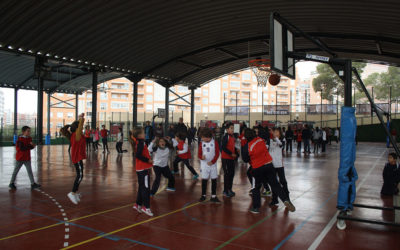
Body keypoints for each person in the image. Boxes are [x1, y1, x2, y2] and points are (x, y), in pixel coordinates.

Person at [241, 128, 295, 214]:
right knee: (275, 184)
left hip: (257, 168)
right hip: (269, 165)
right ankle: (285, 199)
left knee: (256, 187)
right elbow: (266, 139)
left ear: (246, 137)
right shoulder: (260, 140)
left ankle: (256, 207)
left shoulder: (247, 146)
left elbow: (245, 159)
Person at [60, 113, 86, 204]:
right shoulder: (76, 135)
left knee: (80, 175)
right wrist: (81, 118)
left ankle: (74, 193)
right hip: (77, 157)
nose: (82, 128)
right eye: (80, 127)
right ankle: (72, 192)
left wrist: (80, 120)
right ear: (77, 128)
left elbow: (80, 127)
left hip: (78, 157)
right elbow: (80, 127)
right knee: (80, 175)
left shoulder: (75, 135)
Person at [9, 126, 41, 190]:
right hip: (20, 158)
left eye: (29, 131)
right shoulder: (20, 139)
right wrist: (31, 146)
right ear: (23, 132)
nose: (29, 132)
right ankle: (11, 183)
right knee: (16, 171)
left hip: (27, 158)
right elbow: (22, 148)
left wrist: (33, 146)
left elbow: (30, 147)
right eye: (28, 131)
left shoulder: (29, 138)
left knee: (29, 171)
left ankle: (33, 184)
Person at [132, 127, 154, 216]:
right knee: (146, 188)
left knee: (142, 187)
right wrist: (147, 160)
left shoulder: (138, 142)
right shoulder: (141, 142)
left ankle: (138, 204)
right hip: (143, 169)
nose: (145, 134)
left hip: (140, 168)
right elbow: (138, 155)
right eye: (144, 133)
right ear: (139, 135)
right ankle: (146, 207)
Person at [198, 127, 221, 203]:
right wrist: (201, 157)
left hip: (213, 164)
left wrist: (213, 161)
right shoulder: (202, 143)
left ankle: (213, 196)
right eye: (203, 138)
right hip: (204, 165)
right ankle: (203, 195)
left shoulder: (215, 143)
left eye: (205, 138)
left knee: (214, 179)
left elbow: (217, 153)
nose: (204, 139)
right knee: (204, 179)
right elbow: (199, 154)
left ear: (210, 137)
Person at [269, 128, 291, 206]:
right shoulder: (270, 140)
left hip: (279, 165)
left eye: (276, 132)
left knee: (283, 182)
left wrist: (276, 138)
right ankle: (274, 199)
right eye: (274, 131)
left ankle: (287, 199)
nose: (275, 133)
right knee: (274, 183)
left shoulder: (282, 140)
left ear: (280, 133)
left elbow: (281, 145)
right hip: (271, 165)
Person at [221, 122, 239, 197]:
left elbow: (232, 147)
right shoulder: (226, 137)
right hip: (226, 159)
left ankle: (229, 189)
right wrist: (231, 154)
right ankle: (225, 191)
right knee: (227, 174)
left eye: (233, 128)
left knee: (231, 174)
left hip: (231, 159)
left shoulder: (232, 137)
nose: (232, 129)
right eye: (231, 128)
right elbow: (223, 148)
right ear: (227, 129)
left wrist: (236, 152)